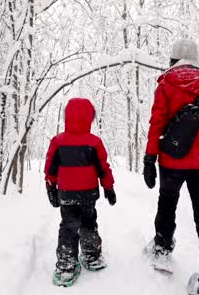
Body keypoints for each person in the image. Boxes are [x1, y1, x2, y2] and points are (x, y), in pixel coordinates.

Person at [143, 39, 199, 295]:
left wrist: (150, 158)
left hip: (172, 161)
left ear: (173, 60)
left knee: (167, 203)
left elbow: (157, 124)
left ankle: (162, 250)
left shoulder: (166, 86)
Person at [44, 98, 117, 286]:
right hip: (88, 194)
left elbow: (51, 168)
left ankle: (66, 267)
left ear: (67, 116)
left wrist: (50, 186)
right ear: (90, 118)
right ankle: (92, 256)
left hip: (67, 193)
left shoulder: (58, 141)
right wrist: (108, 186)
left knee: (69, 226)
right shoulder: (94, 142)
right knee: (88, 222)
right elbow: (103, 168)